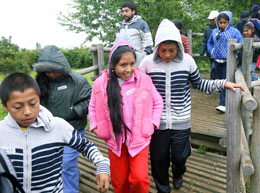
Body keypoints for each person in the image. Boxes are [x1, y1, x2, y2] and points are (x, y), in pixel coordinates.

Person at [139, 18, 244, 193]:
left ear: (178, 47)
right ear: (157, 48)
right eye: (163, 50)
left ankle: (179, 173)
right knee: (158, 159)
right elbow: (137, 87)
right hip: (157, 122)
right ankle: (163, 188)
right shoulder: (147, 63)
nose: (167, 55)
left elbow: (200, 84)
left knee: (180, 157)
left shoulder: (187, 61)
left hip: (181, 120)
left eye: (171, 50)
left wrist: (224, 83)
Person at [0, 72, 110, 193]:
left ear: (39, 98)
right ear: (5, 106)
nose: (27, 112)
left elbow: (85, 145)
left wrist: (102, 165)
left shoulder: (57, 126)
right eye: (17, 107)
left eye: (33, 104)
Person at [89, 39, 164, 193]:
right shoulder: (100, 84)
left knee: (139, 179)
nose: (128, 69)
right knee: (119, 181)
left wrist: (153, 123)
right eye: (123, 65)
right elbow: (92, 107)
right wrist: (95, 126)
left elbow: (158, 102)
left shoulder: (144, 81)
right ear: (113, 65)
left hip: (139, 138)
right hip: (115, 140)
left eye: (132, 64)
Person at [33, 45, 92, 193]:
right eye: (47, 71)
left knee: (66, 163)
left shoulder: (78, 81)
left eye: (53, 70)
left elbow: (91, 101)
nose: (51, 74)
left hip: (73, 129)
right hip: (49, 130)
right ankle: (73, 177)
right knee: (56, 163)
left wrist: (73, 111)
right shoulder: (40, 83)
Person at [208, 11, 243, 113]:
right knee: (219, 81)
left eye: (224, 22)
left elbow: (240, 43)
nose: (222, 24)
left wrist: (235, 52)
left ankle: (223, 104)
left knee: (225, 81)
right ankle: (225, 102)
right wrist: (212, 51)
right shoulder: (214, 32)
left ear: (229, 22)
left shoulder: (234, 32)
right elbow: (209, 43)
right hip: (217, 60)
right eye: (220, 22)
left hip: (229, 61)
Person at [115, 1, 153, 66]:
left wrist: (144, 55)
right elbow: (117, 42)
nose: (124, 13)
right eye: (123, 11)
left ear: (133, 11)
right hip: (123, 60)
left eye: (126, 11)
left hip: (138, 61)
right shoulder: (122, 26)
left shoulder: (141, 24)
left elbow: (147, 40)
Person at [200, 10, 219, 80]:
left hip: (218, 54)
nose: (211, 21)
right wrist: (202, 50)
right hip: (210, 53)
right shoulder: (208, 29)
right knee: (214, 68)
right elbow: (205, 40)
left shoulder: (220, 29)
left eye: (212, 19)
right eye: (210, 20)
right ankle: (214, 84)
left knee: (214, 68)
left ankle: (213, 84)